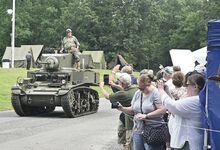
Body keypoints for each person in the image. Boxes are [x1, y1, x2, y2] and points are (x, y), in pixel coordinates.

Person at [118, 74, 166, 150]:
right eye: (138, 87)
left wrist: (146, 116)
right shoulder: (138, 93)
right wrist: (121, 108)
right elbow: (133, 109)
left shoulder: (156, 93)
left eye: (142, 88)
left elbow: (162, 110)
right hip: (138, 129)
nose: (140, 90)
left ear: (148, 85)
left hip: (153, 130)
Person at [158, 73, 205, 150]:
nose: (185, 87)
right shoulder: (194, 99)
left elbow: (173, 106)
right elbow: (175, 108)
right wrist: (167, 91)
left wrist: (161, 90)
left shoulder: (195, 100)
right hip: (184, 142)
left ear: (195, 86)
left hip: (187, 143)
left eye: (187, 85)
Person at [99, 73, 137, 150]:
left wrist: (101, 87)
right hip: (137, 118)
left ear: (121, 83)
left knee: (129, 142)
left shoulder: (122, 94)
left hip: (129, 119)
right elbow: (125, 88)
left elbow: (108, 97)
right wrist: (114, 85)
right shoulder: (135, 88)